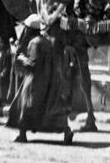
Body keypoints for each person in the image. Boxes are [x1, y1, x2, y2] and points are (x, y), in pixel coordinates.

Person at [8, 14, 73, 144]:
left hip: (34, 81)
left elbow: (32, 64)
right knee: (50, 108)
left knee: (25, 105)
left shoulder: (34, 42)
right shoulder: (47, 41)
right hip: (49, 79)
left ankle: (22, 134)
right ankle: (66, 131)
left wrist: (21, 58)